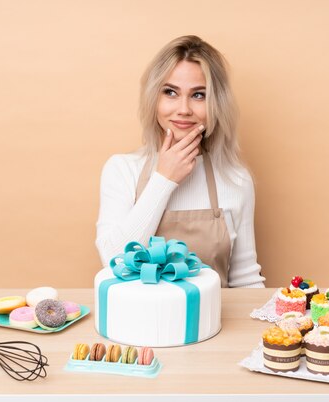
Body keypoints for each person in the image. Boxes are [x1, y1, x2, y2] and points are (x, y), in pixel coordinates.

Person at [95, 35, 265, 288]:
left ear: (216, 103)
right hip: (137, 324)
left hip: (213, 325)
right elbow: (113, 262)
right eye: (171, 92)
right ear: (154, 98)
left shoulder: (236, 178)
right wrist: (164, 179)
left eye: (198, 95)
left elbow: (245, 279)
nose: (184, 109)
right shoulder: (121, 169)